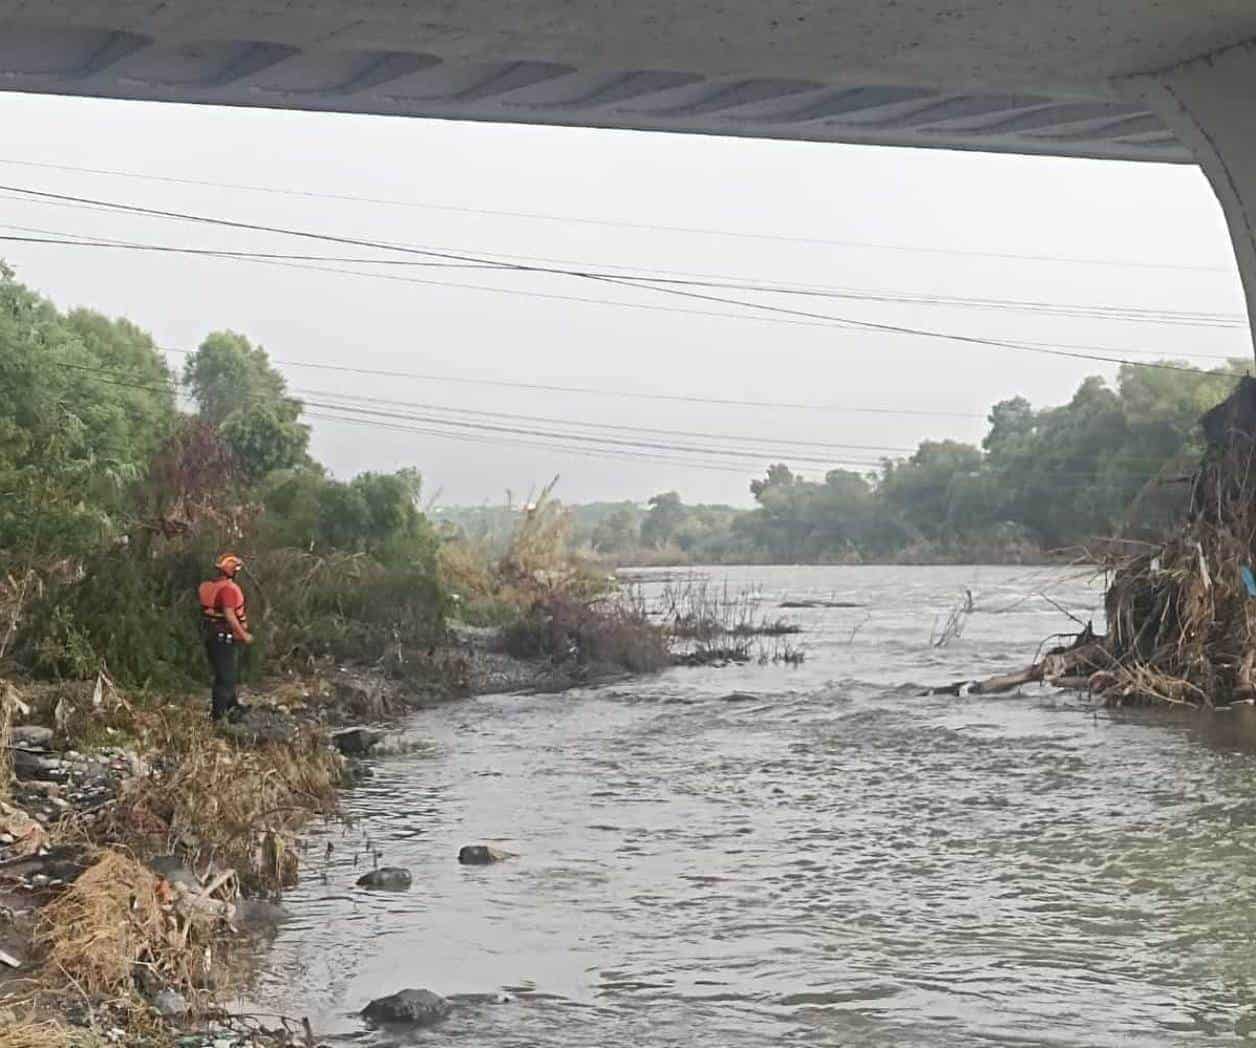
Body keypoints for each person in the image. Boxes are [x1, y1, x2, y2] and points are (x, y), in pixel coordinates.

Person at [198, 553, 253, 721]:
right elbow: (229, 615)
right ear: (232, 571)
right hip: (223, 638)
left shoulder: (208, 586)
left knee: (228, 673)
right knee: (225, 677)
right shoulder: (228, 589)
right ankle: (218, 717)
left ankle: (232, 705)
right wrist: (244, 635)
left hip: (214, 636)